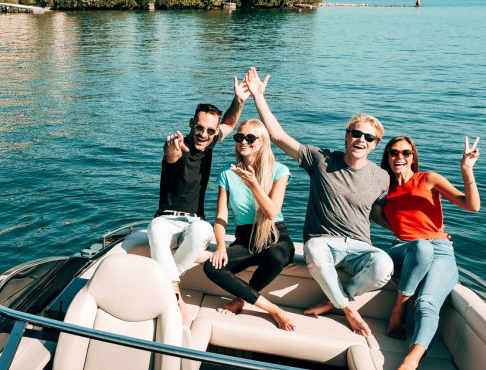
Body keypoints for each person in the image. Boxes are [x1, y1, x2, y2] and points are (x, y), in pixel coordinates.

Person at [244, 67, 393, 336]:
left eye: (368, 137)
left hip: (360, 248)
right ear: (347, 136)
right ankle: (348, 309)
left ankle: (336, 299)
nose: (361, 140)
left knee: (385, 265)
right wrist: (258, 96)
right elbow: (277, 137)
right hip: (323, 242)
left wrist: (419, 233)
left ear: (375, 144)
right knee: (312, 249)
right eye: (356, 134)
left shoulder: (381, 176)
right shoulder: (321, 160)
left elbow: (377, 215)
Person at [376, 135, 481, 370]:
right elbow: (378, 219)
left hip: (442, 250)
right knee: (421, 246)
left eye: (405, 153)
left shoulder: (428, 179)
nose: (399, 157)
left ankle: (412, 360)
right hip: (404, 249)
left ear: (413, 156)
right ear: (387, 157)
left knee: (426, 303)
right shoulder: (382, 187)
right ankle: (399, 309)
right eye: (393, 152)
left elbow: (472, 206)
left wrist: (466, 170)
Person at [150, 79, 247, 325]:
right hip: (167, 219)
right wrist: (171, 146)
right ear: (192, 124)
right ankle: (175, 294)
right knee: (155, 228)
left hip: (194, 223)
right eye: (200, 128)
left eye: (209, 131)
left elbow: (229, 122)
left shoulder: (210, 142)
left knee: (205, 229)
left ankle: (167, 278)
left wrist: (239, 100)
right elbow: (170, 153)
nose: (204, 134)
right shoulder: (179, 148)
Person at [202, 119, 297, 331]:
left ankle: (242, 300)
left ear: (262, 141)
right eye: (239, 137)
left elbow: (272, 212)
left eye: (250, 138)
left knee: (274, 257)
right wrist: (220, 247)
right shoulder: (227, 173)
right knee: (212, 267)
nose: (243, 142)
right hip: (246, 239)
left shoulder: (280, 170)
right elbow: (221, 216)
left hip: (275, 236)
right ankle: (273, 309)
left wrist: (253, 184)